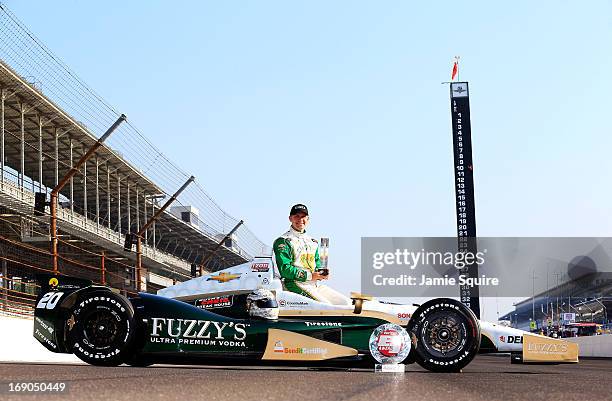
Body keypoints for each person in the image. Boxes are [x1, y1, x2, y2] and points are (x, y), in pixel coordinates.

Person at [273, 204, 349, 305]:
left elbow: (317, 264)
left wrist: (322, 273)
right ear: (290, 218)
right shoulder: (283, 241)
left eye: (303, 216)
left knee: (346, 302)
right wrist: (309, 276)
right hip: (294, 284)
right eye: (296, 216)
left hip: (314, 285)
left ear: (308, 219)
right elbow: (284, 269)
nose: (300, 219)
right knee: (326, 305)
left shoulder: (313, 242)